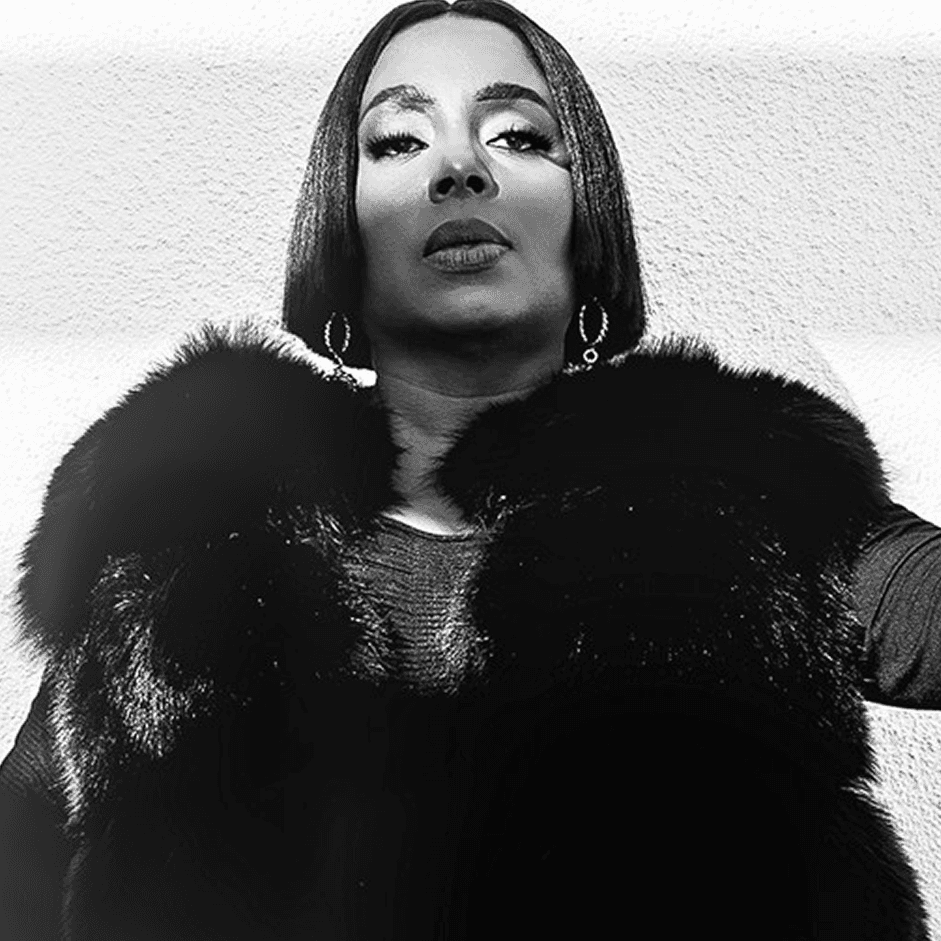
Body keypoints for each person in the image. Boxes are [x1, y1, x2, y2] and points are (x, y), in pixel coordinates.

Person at [1, 1, 939, 938]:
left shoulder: (747, 485)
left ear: (585, 216)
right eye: (398, 142)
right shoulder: (177, 520)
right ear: (339, 224)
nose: (460, 168)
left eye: (518, 136)